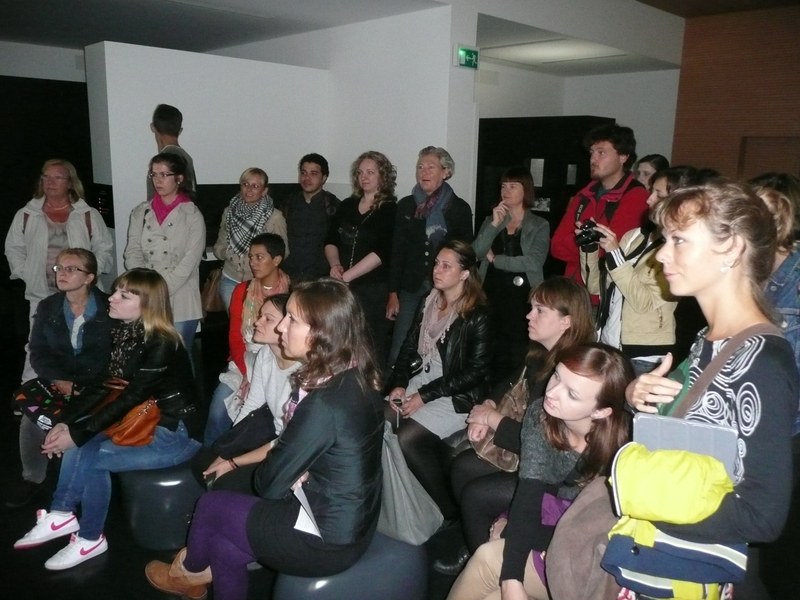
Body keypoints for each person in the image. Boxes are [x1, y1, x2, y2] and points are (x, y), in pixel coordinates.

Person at [144, 279, 384, 600]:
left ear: (320, 332)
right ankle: (195, 572)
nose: (282, 326)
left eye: (292, 319)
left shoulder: (323, 402)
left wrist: (287, 465)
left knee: (211, 505)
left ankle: (187, 572)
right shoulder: (355, 374)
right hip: (350, 520)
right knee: (223, 547)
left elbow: (269, 484)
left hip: (325, 537)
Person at [626, 180, 798, 595]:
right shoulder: (709, 338)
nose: (661, 255)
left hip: (701, 574)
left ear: (732, 249)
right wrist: (640, 398)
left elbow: (762, 516)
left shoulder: (763, 361)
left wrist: (642, 502)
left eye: (679, 240)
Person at [13, 268, 200, 570]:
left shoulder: (162, 342)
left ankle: (81, 531)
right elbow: (101, 386)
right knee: (81, 447)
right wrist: (66, 423)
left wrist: (76, 435)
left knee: (87, 456)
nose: (112, 298)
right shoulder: (124, 333)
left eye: (124, 295)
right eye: (116, 291)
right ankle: (70, 522)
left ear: (147, 304)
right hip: (139, 423)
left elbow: (130, 398)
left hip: (171, 433)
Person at [446, 343, 634, 600]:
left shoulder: (623, 448)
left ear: (601, 411)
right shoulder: (541, 418)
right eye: (556, 375)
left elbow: (603, 535)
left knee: (489, 559)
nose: (552, 392)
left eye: (572, 394)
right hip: (558, 524)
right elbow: (529, 495)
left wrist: (516, 535)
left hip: (598, 558)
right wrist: (512, 579)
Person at [434, 277, 596, 574]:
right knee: (461, 467)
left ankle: (488, 568)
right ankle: (477, 538)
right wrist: (489, 405)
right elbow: (510, 383)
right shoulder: (541, 353)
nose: (528, 315)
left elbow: (545, 444)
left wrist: (492, 420)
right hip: (533, 452)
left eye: (540, 310)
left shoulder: (573, 372)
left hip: (560, 477)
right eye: (531, 307)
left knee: (476, 495)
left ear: (566, 322)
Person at [386, 240, 492, 520]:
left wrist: (423, 396)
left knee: (407, 438)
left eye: (446, 266)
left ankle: (448, 511)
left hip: (456, 395)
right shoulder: (429, 300)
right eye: (436, 263)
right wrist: (399, 384)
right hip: (421, 381)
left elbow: (475, 372)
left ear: (465, 273)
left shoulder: (476, 314)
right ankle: (400, 499)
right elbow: (409, 348)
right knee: (381, 418)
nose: (437, 270)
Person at [5, 248, 114, 509]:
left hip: (97, 388)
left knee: (81, 426)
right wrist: (57, 380)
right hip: (57, 382)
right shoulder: (48, 306)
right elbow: (38, 351)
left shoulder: (110, 308)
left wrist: (83, 387)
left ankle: (79, 486)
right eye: (59, 268)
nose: (61, 274)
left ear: (89, 277)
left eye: (71, 269)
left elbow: (115, 359)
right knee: (31, 420)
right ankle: (33, 478)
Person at [5, 159, 114, 382]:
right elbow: (13, 248)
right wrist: (27, 273)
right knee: (37, 344)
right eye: (45, 176)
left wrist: (89, 274)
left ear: (70, 182)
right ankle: (31, 392)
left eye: (57, 177)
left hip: (81, 294)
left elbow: (103, 247)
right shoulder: (27, 214)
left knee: (83, 342)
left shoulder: (87, 214)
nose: (50, 182)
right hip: (41, 291)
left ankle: (84, 390)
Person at [588, 167, 700, 373]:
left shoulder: (678, 251)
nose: (649, 200)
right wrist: (589, 249)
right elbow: (596, 288)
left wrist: (615, 254)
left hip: (644, 355)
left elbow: (644, 303)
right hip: (609, 344)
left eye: (658, 194)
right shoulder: (634, 236)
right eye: (651, 192)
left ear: (680, 201)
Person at [194, 293, 299, 493]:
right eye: (260, 315)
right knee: (203, 463)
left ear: (288, 326)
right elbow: (252, 404)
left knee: (222, 481)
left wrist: (233, 462)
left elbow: (289, 440)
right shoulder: (265, 354)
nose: (257, 322)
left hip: (287, 448)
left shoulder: (301, 374)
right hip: (271, 435)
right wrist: (231, 446)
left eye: (268, 319)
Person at [387, 146, 473, 366]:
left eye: (430, 167)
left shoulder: (459, 208)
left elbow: (465, 254)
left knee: (438, 348)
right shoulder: (406, 205)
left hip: (446, 289)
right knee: (399, 346)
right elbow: (397, 250)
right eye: (420, 167)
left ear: (446, 172)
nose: (423, 172)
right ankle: (394, 384)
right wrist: (393, 292)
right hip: (411, 286)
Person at [203, 233, 290, 445]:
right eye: (251, 257)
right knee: (217, 410)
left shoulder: (292, 291)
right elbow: (235, 336)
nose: (253, 263)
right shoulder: (242, 290)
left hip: (281, 362)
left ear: (276, 260)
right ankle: (210, 453)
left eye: (259, 257)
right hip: (244, 360)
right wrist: (247, 373)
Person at [550, 124, 649, 305]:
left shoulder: (636, 196)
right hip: (572, 294)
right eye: (591, 152)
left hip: (606, 298)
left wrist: (582, 242)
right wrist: (588, 242)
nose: (593, 159)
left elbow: (613, 252)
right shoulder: (583, 195)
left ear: (623, 156)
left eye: (601, 152)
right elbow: (556, 246)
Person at [124, 152, 206, 353]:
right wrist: (146, 286)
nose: (157, 180)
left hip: (181, 295)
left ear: (179, 178)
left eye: (164, 174)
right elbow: (132, 252)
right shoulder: (141, 211)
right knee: (148, 357)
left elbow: (190, 261)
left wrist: (160, 290)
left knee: (179, 357)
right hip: (147, 293)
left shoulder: (192, 215)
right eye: (154, 174)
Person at [473, 167, 549, 381]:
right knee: (489, 349)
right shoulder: (492, 220)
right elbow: (476, 252)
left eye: (513, 186)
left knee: (517, 352)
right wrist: (493, 225)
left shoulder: (539, 224)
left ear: (526, 190)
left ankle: (512, 393)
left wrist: (496, 260)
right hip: (491, 291)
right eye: (503, 186)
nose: (506, 191)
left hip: (522, 296)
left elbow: (533, 261)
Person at [325, 151, 397, 368]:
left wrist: (347, 276)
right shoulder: (347, 205)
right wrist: (335, 266)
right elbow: (330, 239)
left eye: (370, 172)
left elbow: (382, 252)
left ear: (383, 176)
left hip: (372, 288)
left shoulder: (390, 209)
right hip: (343, 283)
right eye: (360, 172)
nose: (364, 177)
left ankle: (372, 386)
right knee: (341, 342)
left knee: (370, 345)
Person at [213, 167, 288, 310]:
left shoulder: (275, 217)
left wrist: (260, 259)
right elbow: (219, 245)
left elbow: (283, 253)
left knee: (259, 322)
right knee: (235, 321)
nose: (249, 189)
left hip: (261, 282)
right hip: (230, 279)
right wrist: (227, 253)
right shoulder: (229, 212)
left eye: (255, 186)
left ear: (264, 191)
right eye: (245, 184)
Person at [279, 153, 339, 281]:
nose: (307, 178)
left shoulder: (334, 206)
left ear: (324, 178)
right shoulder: (287, 203)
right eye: (303, 173)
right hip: (288, 275)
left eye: (313, 173)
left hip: (321, 278)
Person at [147, 103, 196, 199]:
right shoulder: (187, 158)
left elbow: (154, 203)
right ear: (180, 130)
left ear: (152, 127)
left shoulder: (159, 163)